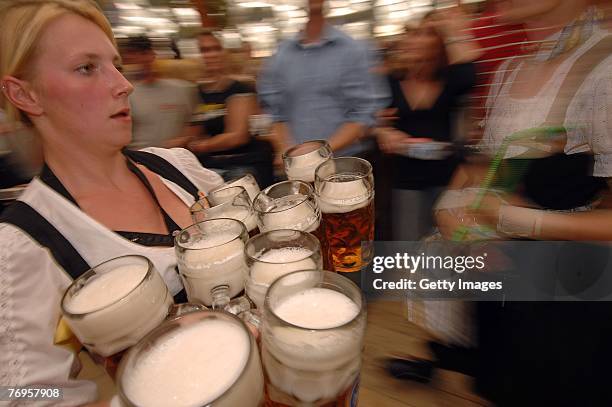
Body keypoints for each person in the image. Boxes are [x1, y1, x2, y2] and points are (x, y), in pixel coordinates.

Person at [0, 1, 223, 404]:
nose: (124, 83)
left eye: (115, 63)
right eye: (87, 67)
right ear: (25, 94)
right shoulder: (27, 244)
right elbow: (23, 392)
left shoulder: (176, 166)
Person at [435, 1, 612, 404]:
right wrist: (452, 202)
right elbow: (486, 168)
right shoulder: (508, 71)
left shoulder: (605, 66)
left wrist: (526, 222)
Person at [375, 9, 480, 241]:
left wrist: (452, 30)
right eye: (411, 34)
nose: (413, 40)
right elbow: (374, 119)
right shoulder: (391, 80)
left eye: (424, 34)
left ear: (439, 43)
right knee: (409, 248)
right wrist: (383, 131)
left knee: (448, 248)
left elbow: (471, 74)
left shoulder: (450, 78)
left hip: (448, 179)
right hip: (406, 180)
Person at [257, 0, 384, 160]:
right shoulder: (282, 54)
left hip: (344, 162)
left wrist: (319, 152)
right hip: (297, 163)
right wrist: (285, 149)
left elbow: (364, 114)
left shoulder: (353, 50)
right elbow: (276, 113)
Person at [180, 29, 274, 187]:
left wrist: (200, 145)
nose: (211, 55)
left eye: (215, 48)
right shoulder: (196, 92)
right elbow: (191, 133)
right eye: (204, 50)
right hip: (211, 166)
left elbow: (237, 136)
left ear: (224, 52)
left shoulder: (241, 87)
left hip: (243, 162)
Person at [120, 35, 198, 150]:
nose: (141, 60)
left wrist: (185, 139)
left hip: (175, 158)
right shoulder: (124, 95)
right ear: (128, 59)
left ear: (152, 55)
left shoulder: (182, 89)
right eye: (135, 55)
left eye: (144, 54)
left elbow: (196, 123)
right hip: (139, 160)